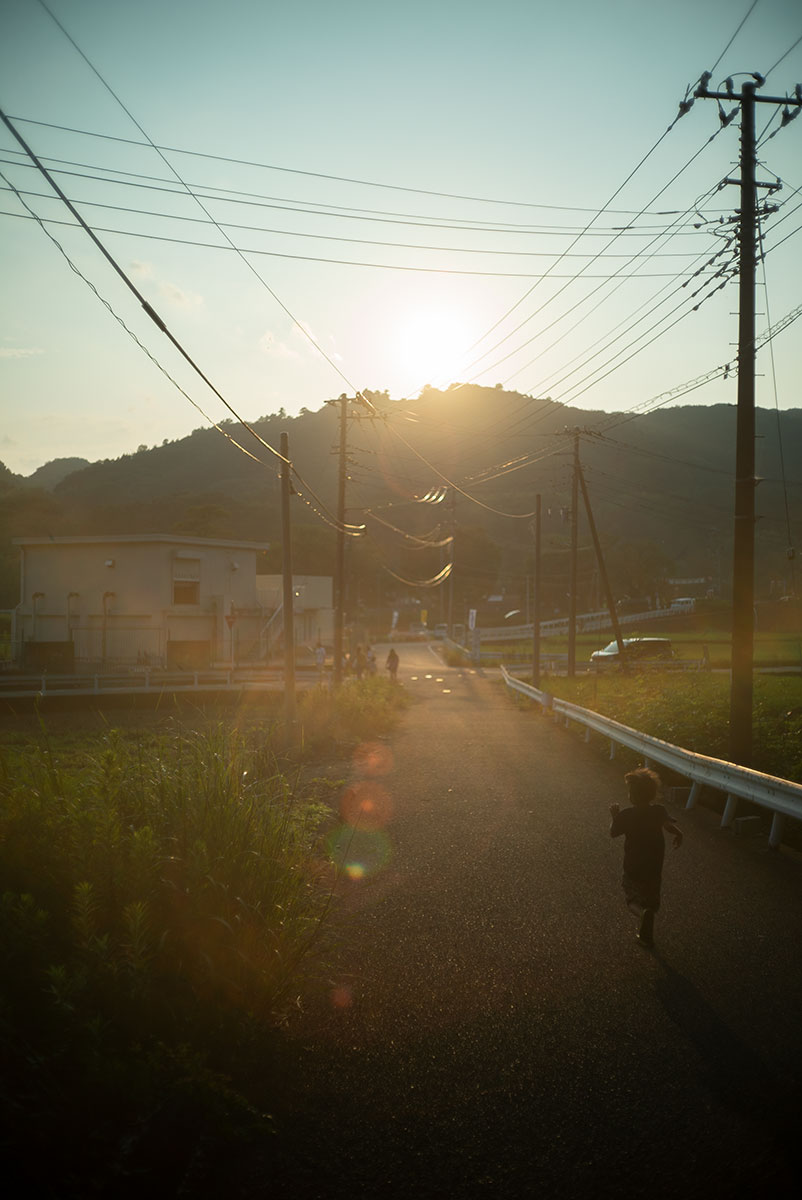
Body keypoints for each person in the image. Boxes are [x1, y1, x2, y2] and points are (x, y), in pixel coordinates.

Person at [609, 766, 682, 947]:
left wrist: (615, 816)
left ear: (632, 796)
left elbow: (613, 833)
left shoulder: (627, 815)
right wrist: (679, 833)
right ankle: (647, 917)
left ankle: (641, 914)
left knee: (632, 899)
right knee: (651, 900)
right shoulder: (658, 811)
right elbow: (668, 825)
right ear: (652, 793)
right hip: (654, 867)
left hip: (633, 866)